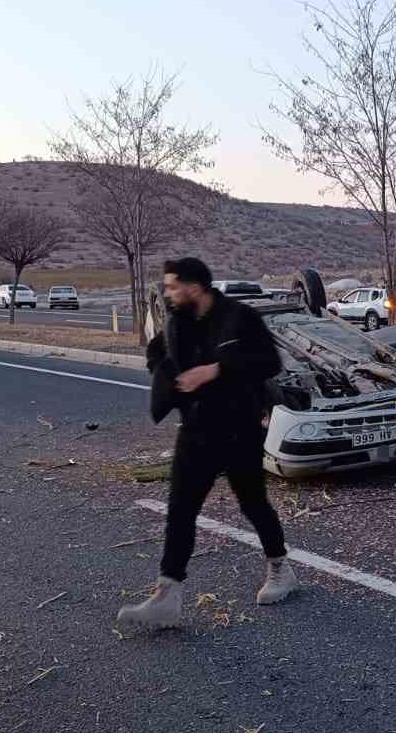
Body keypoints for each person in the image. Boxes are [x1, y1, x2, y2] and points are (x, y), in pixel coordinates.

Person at [118, 258, 298, 628]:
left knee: (252, 503)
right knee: (180, 510)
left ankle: (281, 568)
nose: (167, 292)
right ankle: (167, 596)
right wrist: (165, 375)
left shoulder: (239, 316)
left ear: (194, 286)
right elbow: (157, 351)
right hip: (196, 429)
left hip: (239, 428)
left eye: (172, 286)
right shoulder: (178, 321)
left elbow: (270, 362)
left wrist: (216, 369)